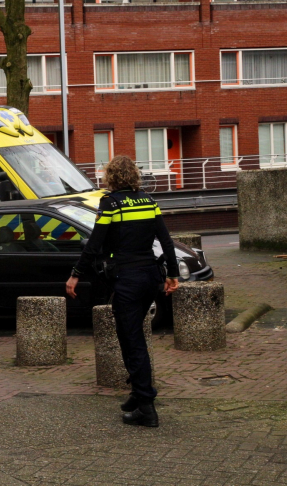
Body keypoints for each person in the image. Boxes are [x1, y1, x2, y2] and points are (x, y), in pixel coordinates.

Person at [65, 155, 179, 428]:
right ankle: (137, 394)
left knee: (132, 341)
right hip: (151, 277)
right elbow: (166, 240)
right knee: (131, 335)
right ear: (135, 176)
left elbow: (94, 243)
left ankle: (147, 407)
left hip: (127, 279)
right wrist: (173, 274)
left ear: (112, 177)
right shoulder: (148, 201)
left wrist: (75, 275)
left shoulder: (110, 203)